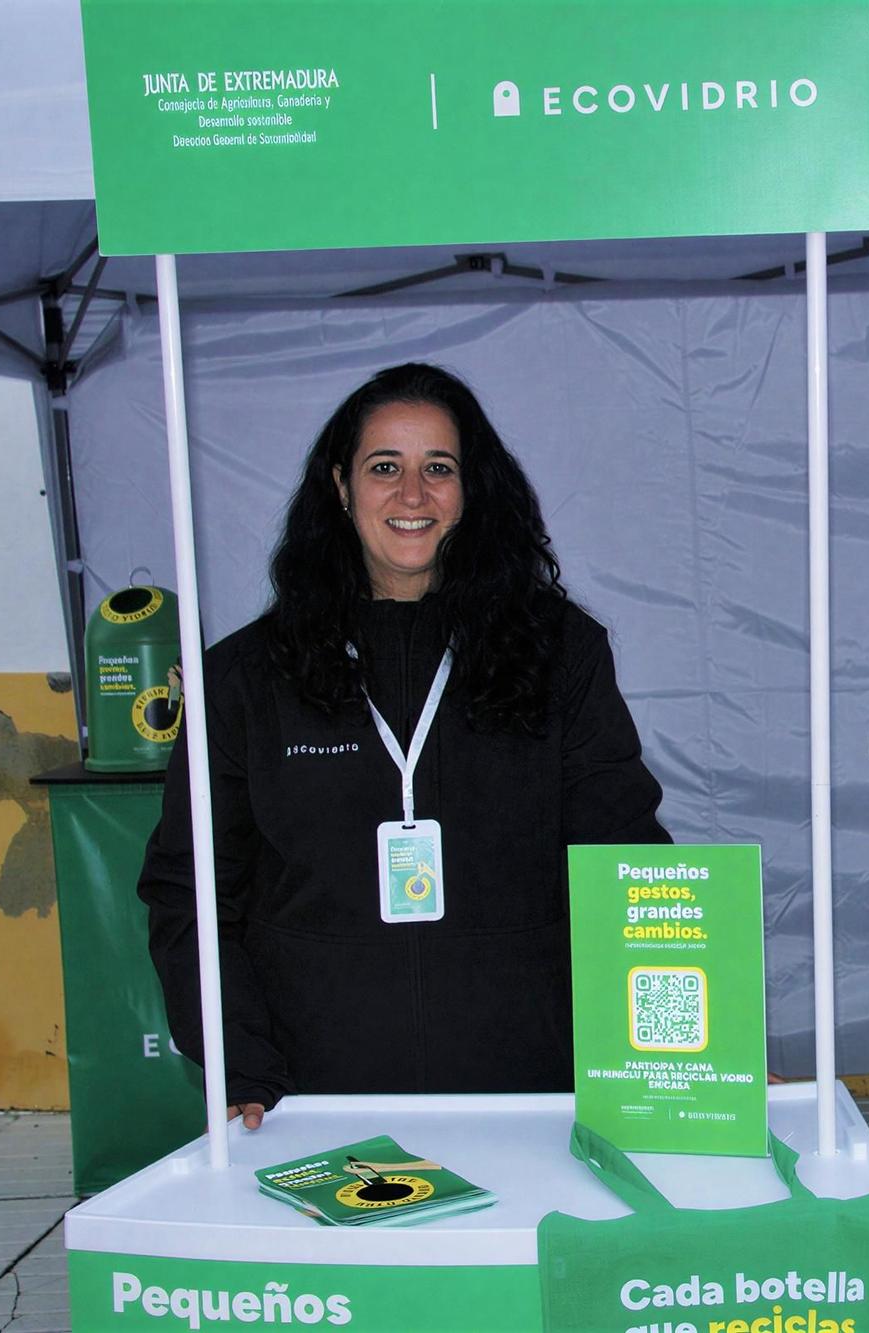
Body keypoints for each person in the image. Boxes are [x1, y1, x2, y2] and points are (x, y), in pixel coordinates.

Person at [139, 362, 668, 1129]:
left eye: (439, 468)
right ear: (341, 486)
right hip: (311, 1100)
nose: (412, 495)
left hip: (530, 1092)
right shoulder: (246, 677)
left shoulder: (560, 653)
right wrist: (241, 1062)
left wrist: (695, 1052)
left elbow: (628, 865)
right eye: (384, 467)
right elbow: (190, 891)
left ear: (472, 488)